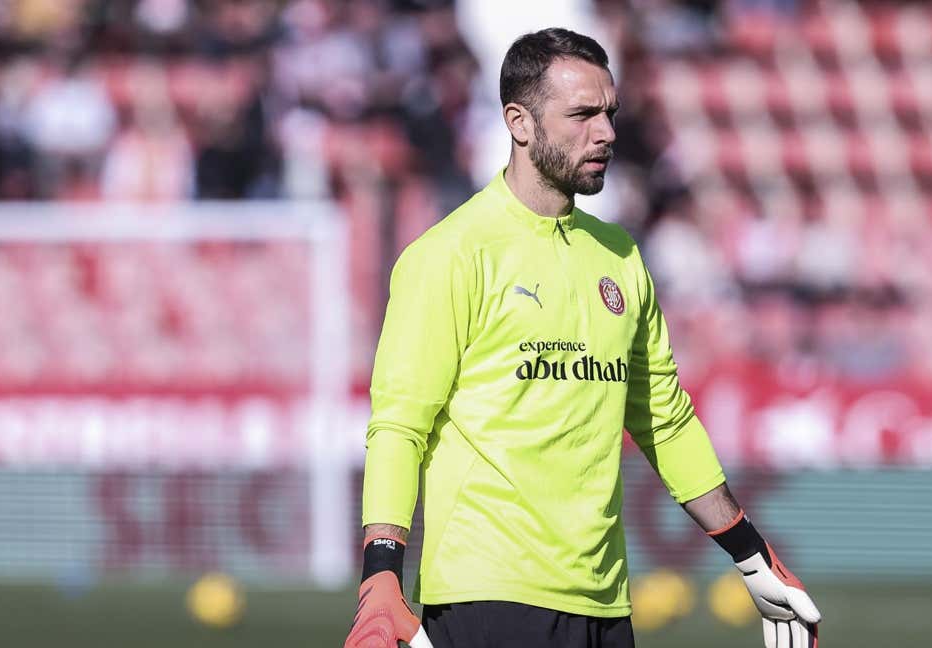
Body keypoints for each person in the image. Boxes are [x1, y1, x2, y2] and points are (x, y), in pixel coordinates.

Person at [343, 28, 821, 648]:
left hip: (605, 602)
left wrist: (752, 555)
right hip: (487, 597)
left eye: (611, 113)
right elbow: (399, 427)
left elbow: (665, 422)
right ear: (519, 122)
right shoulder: (449, 255)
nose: (607, 133)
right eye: (583, 115)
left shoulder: (620, 257)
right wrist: (381, 575)